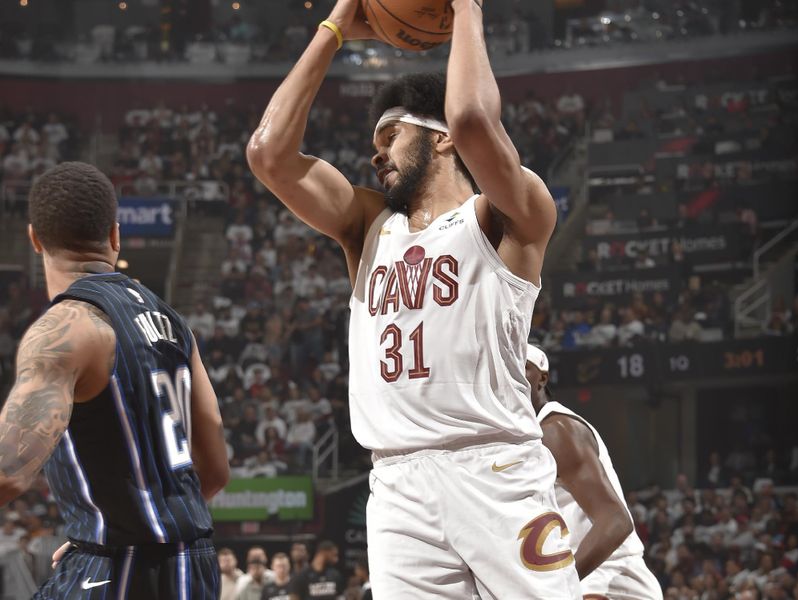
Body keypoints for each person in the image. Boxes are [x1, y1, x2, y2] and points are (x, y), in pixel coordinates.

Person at [246, 0, 578, 596]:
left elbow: (475, 118)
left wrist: (467, 8)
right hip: (397, 485)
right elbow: (269, 154)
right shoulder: (367, 225)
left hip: (495, 470)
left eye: (390, 135)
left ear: (442, 139)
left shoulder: (506, 214)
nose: (376, 155)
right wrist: (334, 28)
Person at [0, 162, 229, 598]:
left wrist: (115, 540)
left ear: (34, 239)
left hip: (118, 571)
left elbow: (8, 472)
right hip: (194, 569)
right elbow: (214, 471)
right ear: (114, 235)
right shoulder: (173, 322)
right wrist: (113, 525)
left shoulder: (66, 328)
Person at [526, 344, 663, 599]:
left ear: (542, 378)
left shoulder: (556, 429)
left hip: (608, 577)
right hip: (583, 578)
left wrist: (559, 584)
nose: (511, 376)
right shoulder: (525, 434)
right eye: (505, 370)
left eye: (523, 367)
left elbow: (616, 521)